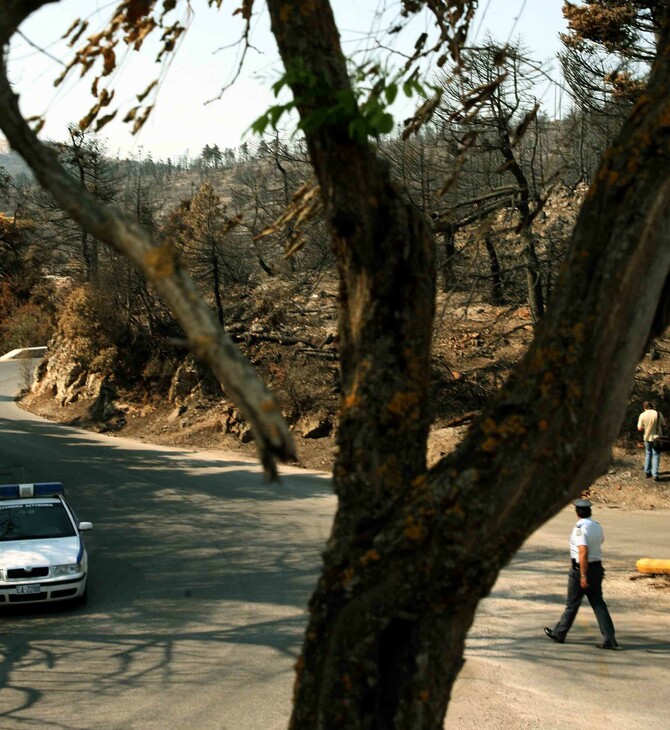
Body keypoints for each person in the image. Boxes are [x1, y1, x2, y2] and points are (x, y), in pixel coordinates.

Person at [544, 498, 618, 650]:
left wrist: (583, 576)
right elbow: (600, 542)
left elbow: (583, 551)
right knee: (598, 603)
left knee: (572, 604)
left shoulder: (579, 528)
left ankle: (560, 633)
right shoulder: (597, 526)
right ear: (589, 512)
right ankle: (610, 638)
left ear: (577, 512)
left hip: (582, 570)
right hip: (597, 568)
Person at [637, 401, 665, 481]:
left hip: (647, 437)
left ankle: (647, 471)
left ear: (644, 407)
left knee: (648, 453)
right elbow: (664, 424)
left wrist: (646, 427)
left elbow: (639, 428)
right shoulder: (659, 413)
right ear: (652, 406)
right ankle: (655, 474)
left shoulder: (642, 415)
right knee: (656, 455)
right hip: (657, 438)